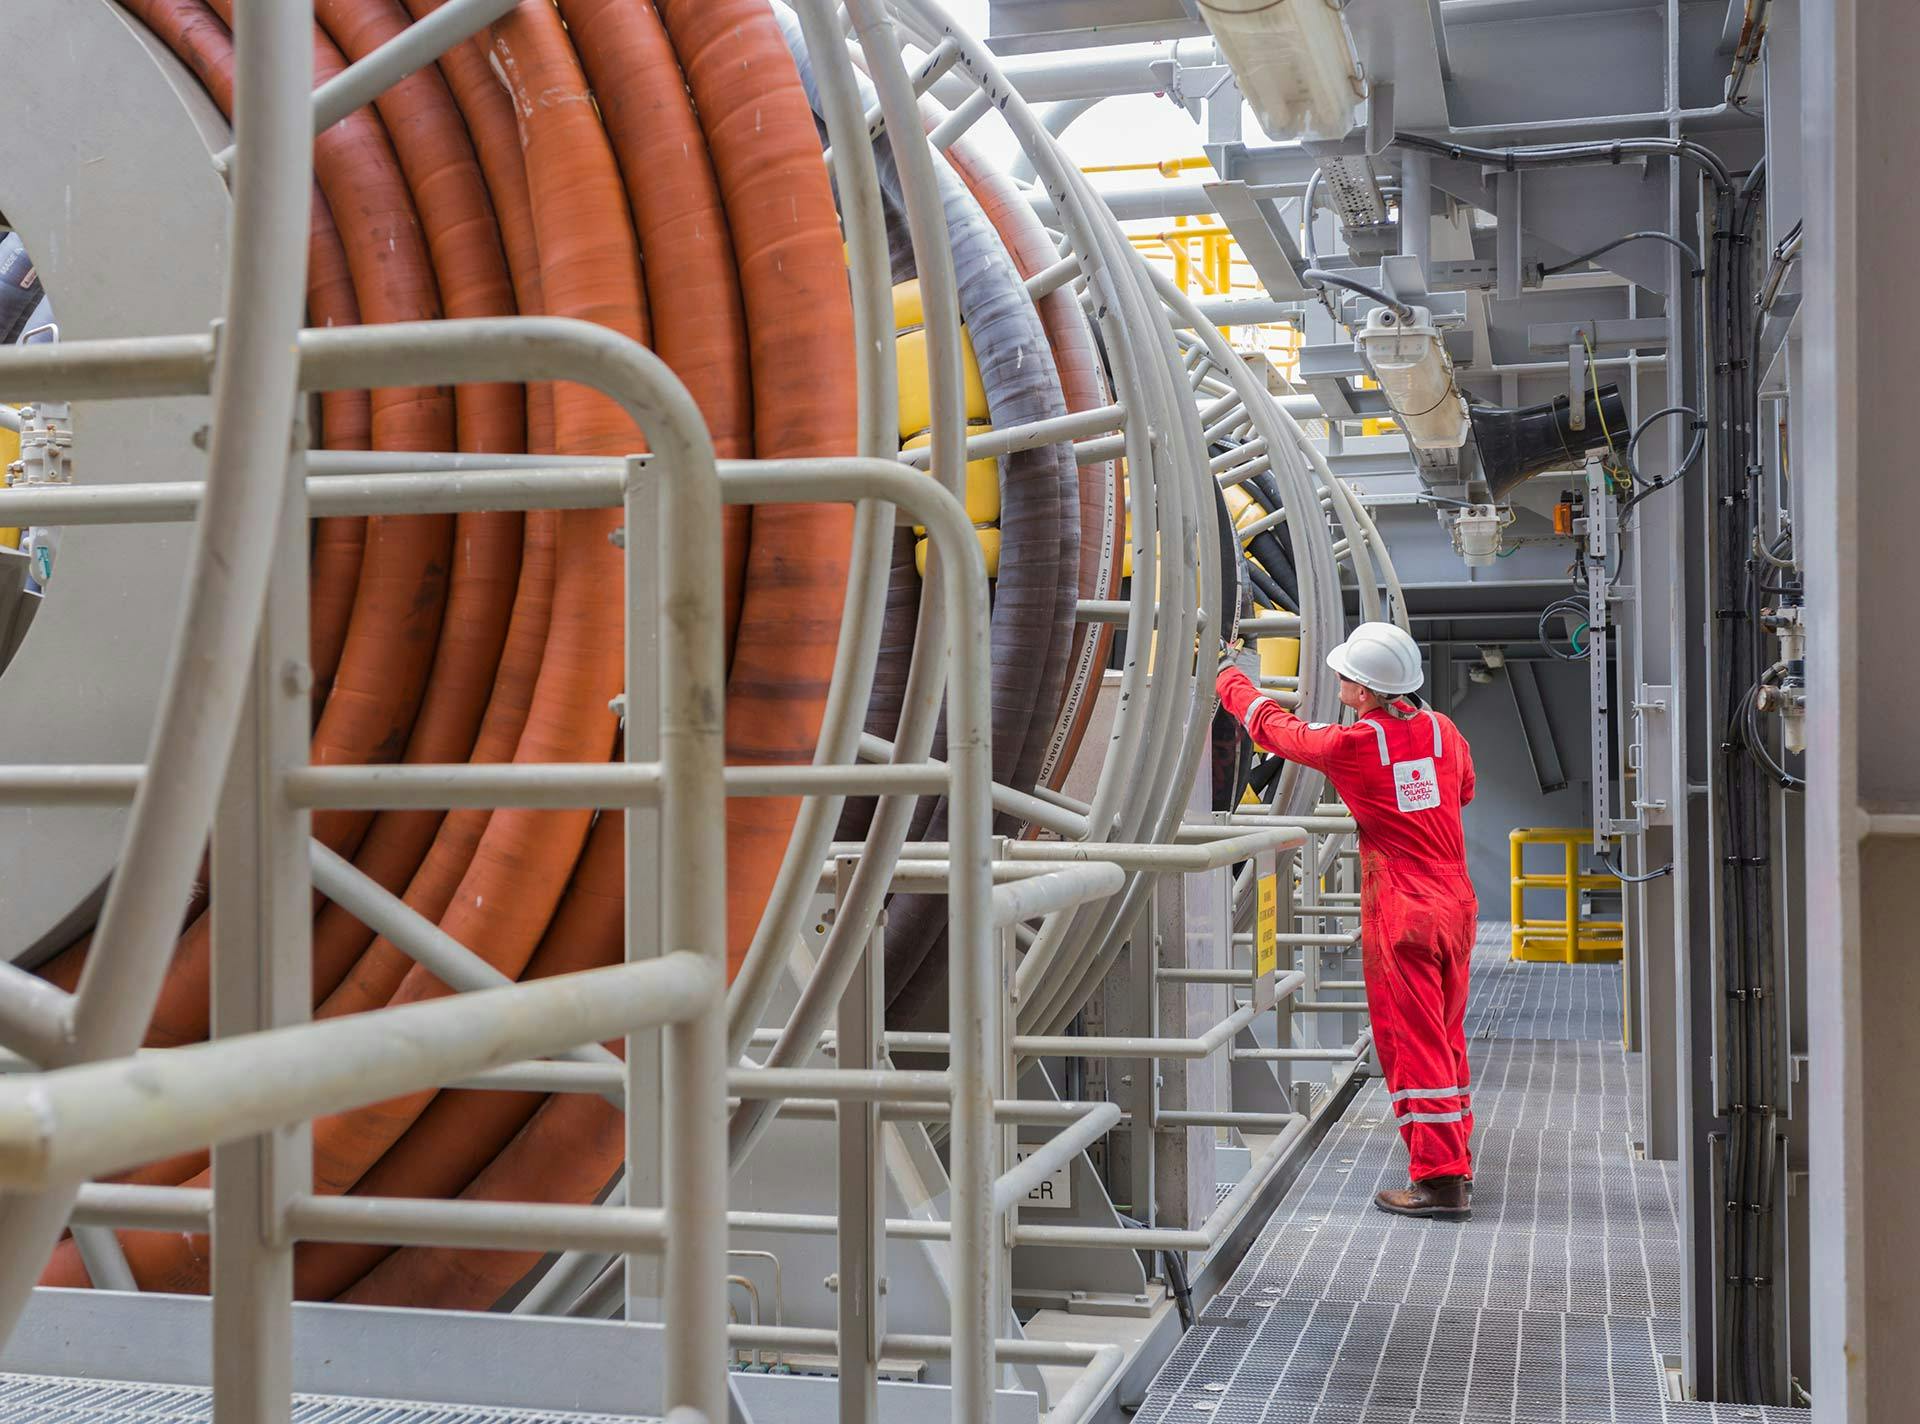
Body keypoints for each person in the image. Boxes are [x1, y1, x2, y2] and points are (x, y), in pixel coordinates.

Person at [1216, 621, 1478, 1221]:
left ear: (1363, 690)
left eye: (1343, 676)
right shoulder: (1445, 731)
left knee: (1412, 1044)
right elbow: (1461, 791)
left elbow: (1273, 729)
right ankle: (1458, 1158)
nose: (1336, 681)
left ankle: (1439, 1182)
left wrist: (1226, 677)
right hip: (1456, 900)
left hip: (1403, 908)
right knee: (1445, 1034)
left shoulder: (1354, 746)